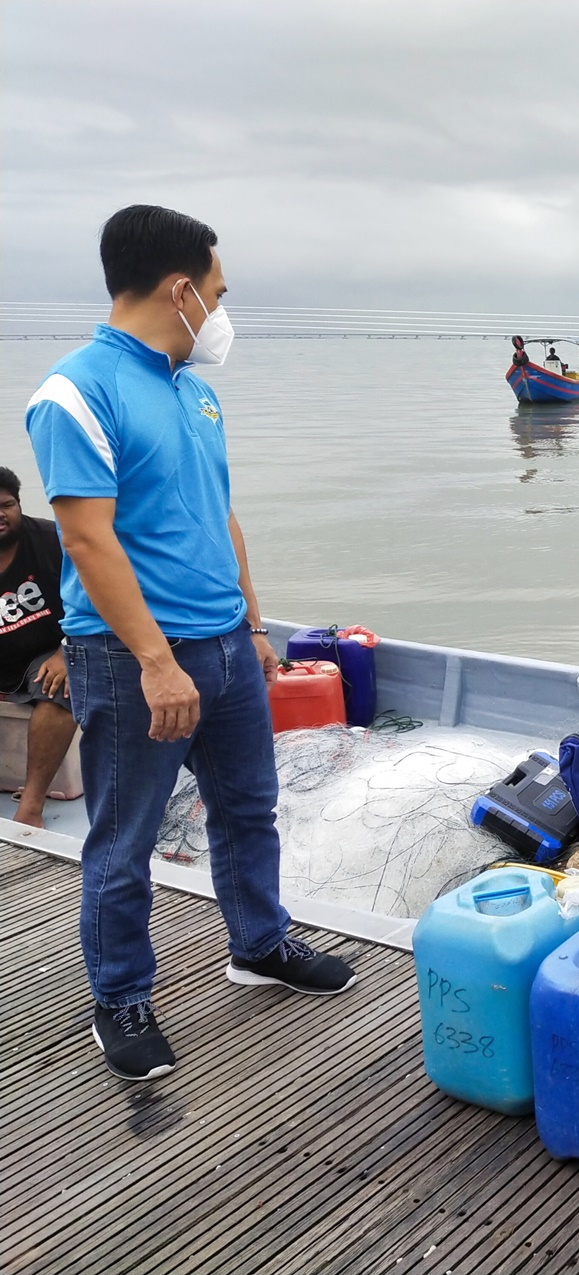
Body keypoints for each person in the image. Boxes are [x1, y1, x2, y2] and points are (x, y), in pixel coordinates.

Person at [25, 204, 355, 1083]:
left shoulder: (196, 392)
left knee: (248, 809)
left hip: (225, 644)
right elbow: (87, 537)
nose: (220, 307)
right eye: (218, 290)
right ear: (181, 290)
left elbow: (221, 514)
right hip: (132, 657)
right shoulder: (75, 391)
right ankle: (121, 997)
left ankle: (260, 943)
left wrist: (254, 624)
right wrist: (156, 660)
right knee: (123, 837)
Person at [0, 467, 78, 826]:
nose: (1, 515)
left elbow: (96, 599)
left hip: (49, 651)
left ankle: (31, 806)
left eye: (7, 505)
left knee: (59, 687)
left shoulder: (53, 540)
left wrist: (67, 650)